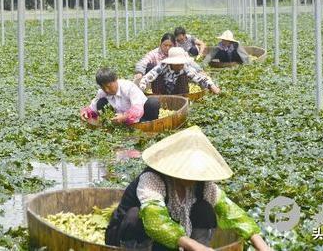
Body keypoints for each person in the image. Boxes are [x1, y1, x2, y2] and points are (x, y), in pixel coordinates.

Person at [105, 126, 271, 251]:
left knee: (205, 209)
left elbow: (230, 211)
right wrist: (192, 245)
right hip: (138, 240)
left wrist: (259, 242)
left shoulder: (202, 184)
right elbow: (154, 220)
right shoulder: (152, 179)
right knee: (135, 216)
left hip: (177, 241)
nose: (192, 178)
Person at [80, 68, 159, 125]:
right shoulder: (102, 92)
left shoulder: (128, 87)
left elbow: (138, 109)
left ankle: (146, 125)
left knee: (153, 103)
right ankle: (111, 124)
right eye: (103, 87)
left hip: (141, 116)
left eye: (108, 86)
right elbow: (92, 108)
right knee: (100, 102)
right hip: (118, 119)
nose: (107, 90)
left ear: (115, 80)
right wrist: (85, 113)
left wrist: (125, 117)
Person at [139, 47, 220, 95]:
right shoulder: (162, 66)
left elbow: (199, 78)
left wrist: (212, 86)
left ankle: (182, 99)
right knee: (157, 77)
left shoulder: (185, 68)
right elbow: (148, 77)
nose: (181, 65)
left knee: (183, 76)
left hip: (179, 93)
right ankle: (159, 97)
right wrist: (141, 89)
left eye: (182, 63)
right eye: (178, 63)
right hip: (162, 93)